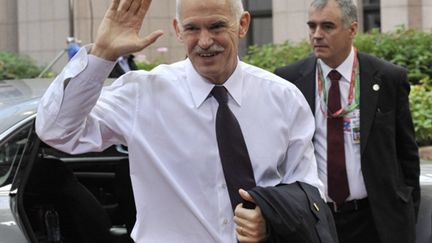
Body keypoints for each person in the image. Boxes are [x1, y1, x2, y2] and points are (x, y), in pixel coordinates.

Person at [35, 0, 330, 242]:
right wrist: (102, 54)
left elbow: (307, 192)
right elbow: (57, 130)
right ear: (177, 29)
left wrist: (270, 217)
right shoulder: (142, 94)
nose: (204, 41)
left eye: (216, 26)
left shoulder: (284, 98)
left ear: (242, 25)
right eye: (192, 28)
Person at [274, 0, 420, 243]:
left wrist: (407, 213)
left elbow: (407, 155)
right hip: (315, 219)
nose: (317, 35)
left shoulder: (387, 78)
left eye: (327, 26)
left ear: (352, 29)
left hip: (375, 221)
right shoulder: (290, 80)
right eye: (312, 26)